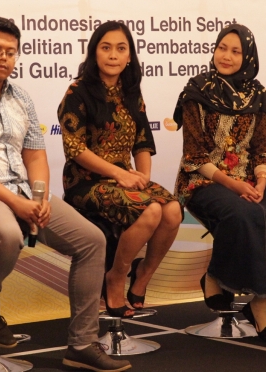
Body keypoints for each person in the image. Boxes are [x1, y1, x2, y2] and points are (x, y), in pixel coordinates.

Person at [0, 16, 130, 372]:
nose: (4, 58)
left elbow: (35, 155)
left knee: (92, 241)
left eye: (10, 52)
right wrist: (17, 204)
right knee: (6, 234)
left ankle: (82, 344)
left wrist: (38, 198)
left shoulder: (20, 96)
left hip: (21, 191)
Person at [174, 24, 266, 343]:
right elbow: (193, 154)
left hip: (251, 179)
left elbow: (264, 146)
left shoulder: (257, 93)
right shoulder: (197, 90)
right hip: (203, 179)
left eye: (236, 51)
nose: (226, 56)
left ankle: (259, 308)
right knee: (242, 215)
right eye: (222, 48)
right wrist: (233, 185)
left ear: (247, 57)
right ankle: (214, 276)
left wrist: (262, 180)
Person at [58, 21, 182, 318]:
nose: (113, 55)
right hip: (85, 182)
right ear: (94, 53)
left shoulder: (131, 92)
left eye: (120, 48)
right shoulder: (78, 91)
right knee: (150, 210)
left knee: (173, 210)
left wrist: (144, 177)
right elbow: (75, 149)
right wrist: (119, 174)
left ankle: (142, 276)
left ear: (129, 56)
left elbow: (143, 142)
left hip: (123, 178)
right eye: (106, 47)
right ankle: (115, 277)